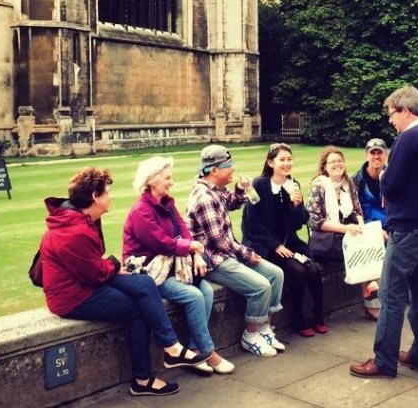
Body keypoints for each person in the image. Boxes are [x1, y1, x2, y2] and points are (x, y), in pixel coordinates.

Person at [39, 167, 210, 397]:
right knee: (138, 311)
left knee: (144, 283)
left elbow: (93, 266)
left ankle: (171, 348)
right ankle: (143, 379)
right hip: (73, 296)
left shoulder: (83, 219)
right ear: (94, 197)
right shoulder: (76, 230)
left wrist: (114, 267)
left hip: (86, 280)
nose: (111, 197)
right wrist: (115, 264)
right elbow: (94, 273)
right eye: (107, 192)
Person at [350, 84, 418, 378]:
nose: (390, 121)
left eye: (392, 114)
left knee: (391, 293)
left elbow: (391, 184)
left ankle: (383, 360)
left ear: (405, 110)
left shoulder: (408, 139)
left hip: (409, 228)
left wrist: (383, 175)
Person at [122, 156, 235, 375]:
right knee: (194, 296)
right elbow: (161, 243)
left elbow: (183, 230)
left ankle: (194, 351)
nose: (171, 182)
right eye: (167, 178)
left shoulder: (167, 202)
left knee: (207, 292)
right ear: (151, 181)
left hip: (172, 266)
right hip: (151, 273)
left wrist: (195, 252)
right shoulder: (140, 211)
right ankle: (209, 353)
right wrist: (192, 246)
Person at [184, 145, 286, 358]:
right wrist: (247, 254)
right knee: (260, 287)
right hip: (213, 260)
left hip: (228, 252)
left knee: (276, 274)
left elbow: (230, 203)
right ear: (214, 170)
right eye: (229, 166)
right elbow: (219, 241)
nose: (233, 169)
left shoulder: (215, 189)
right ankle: (250, 336)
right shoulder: (204, 198)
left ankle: (265, 329)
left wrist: (240, 190)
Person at [241, 143, 326, 338]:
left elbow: (297, 223)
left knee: (312, 269)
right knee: (296, 271)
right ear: (271, 162)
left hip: (289, 241)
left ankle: (318, 315)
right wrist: (275, 245)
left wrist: (296, 205)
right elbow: (252, 223)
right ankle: (297, 317)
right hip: (265, 244)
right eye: (282, 160)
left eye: (289, 159)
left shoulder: (292, 184)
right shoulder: (259, 185)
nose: (287, 163)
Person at [305, 146, 380, 320]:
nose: (337, 164)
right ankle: (372, 298)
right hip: (327, 240)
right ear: (324, 166)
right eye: (332, 162)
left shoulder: (348, 184)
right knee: (363, 251)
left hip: (346, 234)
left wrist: (360, 225)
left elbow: (357, 211)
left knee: (370, 240)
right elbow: (316, 221)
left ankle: (372, 293)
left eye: (340, 161)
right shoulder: (319, 186)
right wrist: (347, 229)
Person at [350, 138, 388, 318]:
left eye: (379, 152)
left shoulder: (393, 176)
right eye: (373, 152)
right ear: (367, 155)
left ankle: (391, 294)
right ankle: (372, 301)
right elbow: (352, 212)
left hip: (390, 226)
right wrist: (371, 229)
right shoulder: (355, 181)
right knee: (372, 243)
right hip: (365, 227)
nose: (376, 156)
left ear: (385, 155)